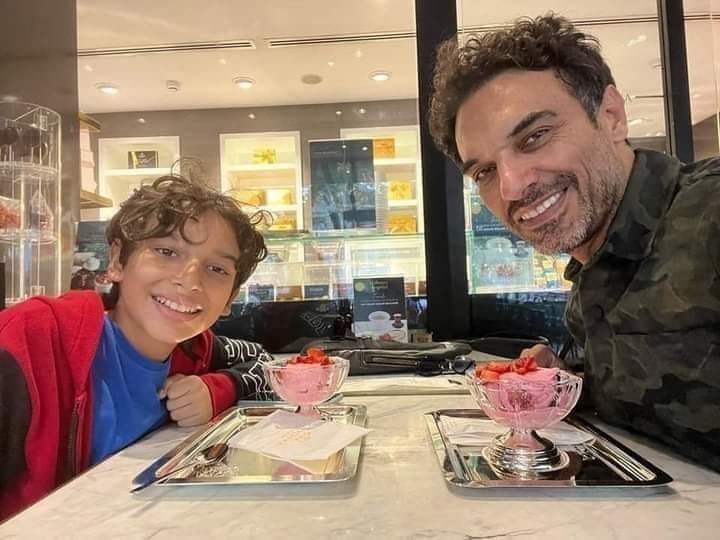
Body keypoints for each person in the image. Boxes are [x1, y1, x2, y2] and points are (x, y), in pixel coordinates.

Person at [429, 14, 720, 470]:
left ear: (611, 117)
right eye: (484, 171)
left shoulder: (708, 213)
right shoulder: (593, 269)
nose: (511, 186)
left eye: (534, 137)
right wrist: (566, 380)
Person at [0, 174, 274, 520]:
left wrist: (215, 389)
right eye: (166, 252)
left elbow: (266, 364)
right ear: (117, 260)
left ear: (230, 299)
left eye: (217, 268)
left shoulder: (193, 349)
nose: (190, 280)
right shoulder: (33, 341)